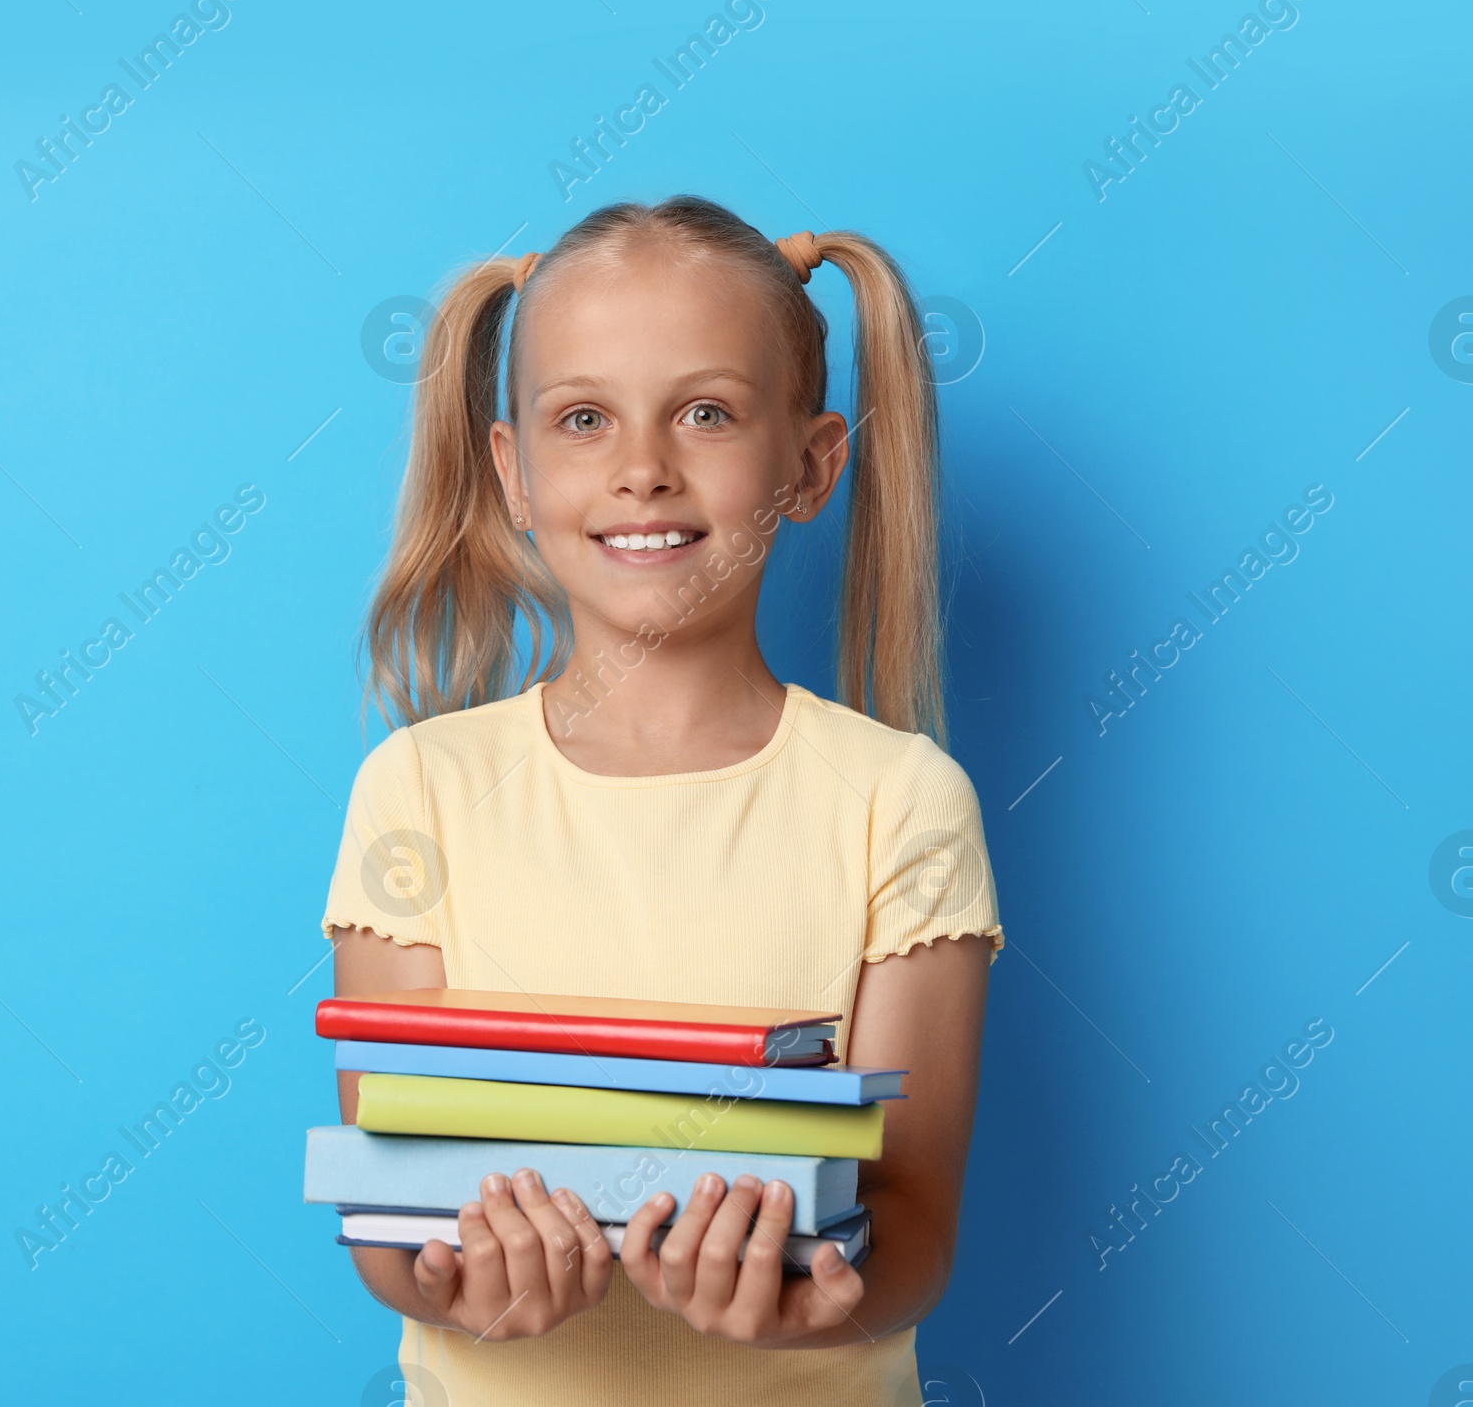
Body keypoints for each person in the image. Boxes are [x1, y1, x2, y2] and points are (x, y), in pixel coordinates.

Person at [321, 194, 1004, 1405]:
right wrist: (450, 1285)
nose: (642, 469)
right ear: (511, 471)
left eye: (705, 413)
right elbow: (390, 1206)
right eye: (582, 418)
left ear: (810, 463)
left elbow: (916, 1236)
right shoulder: (419, 790)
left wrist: (794, 1311)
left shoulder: (898, 801)